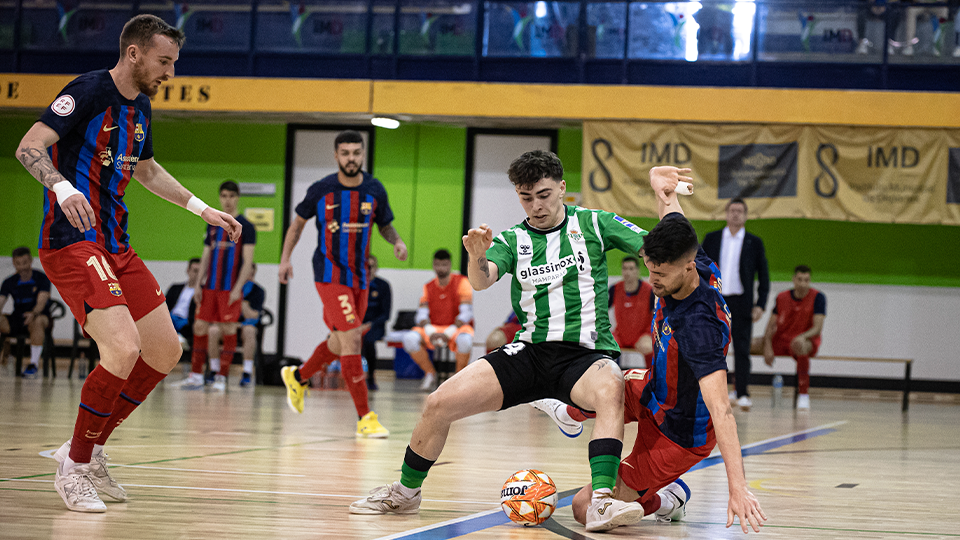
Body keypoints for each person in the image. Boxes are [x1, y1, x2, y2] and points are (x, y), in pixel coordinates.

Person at [350, 150, 654, 533]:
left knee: (612, 388)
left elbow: (651, 246)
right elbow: (481, 280)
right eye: (526, 197)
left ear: (562, 188)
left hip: (585, 356)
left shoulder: (594, 223)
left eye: (543, 195)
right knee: (438, 403)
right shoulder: (514, 239)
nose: (536, 205)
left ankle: (602, 502)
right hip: (528, 351)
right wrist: (476, 256)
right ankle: (406, 492)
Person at [15, 14, 241, 512]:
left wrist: (203, 210)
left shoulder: (141, 107)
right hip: (73, 242)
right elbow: (29, 146)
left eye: (174, 63)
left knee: (164, 352)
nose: (171, 73)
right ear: (135, 53)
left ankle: (90, 452)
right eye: (165, 61)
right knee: (121, 348)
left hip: (117, 246)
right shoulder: (88, 91)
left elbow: (147, 169)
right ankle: (73, 468)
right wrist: (62, 186)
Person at [533, 166, 766, 534]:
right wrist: (660, 186)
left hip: (679, 431)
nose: (652, 282)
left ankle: (668, 498)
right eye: (649, 272)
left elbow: (722, 411)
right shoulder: (688, 254)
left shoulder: (699, 327)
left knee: (583, 508)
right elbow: (672, 214)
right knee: (596, 382)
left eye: (661, 276)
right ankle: (571, 412)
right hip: (655, 389)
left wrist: (737, 488)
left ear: (688, 268)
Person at [278, 130, 408, 438]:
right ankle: (366, 417)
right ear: (336, 156)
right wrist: (285, 259)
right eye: (345, 153)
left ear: (363, 155)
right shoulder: (321, 189)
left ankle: (298, 376)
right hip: (329, 273)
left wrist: (397, 241)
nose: (351, 158)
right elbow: (297, 226)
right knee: (352, 341)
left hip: (360, 277)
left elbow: (385, 225)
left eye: (356, 153)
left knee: (339, 341)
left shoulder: (375, 189)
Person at [177, 181, 256, 391]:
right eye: (223, 196)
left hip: (229, 288)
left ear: (238, 197)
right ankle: (196, 375)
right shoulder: (213, 223)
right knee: (199, 326)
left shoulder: (247, 227)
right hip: (209, 286)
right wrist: (198, 285)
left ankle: (221, 377)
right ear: (220, 198)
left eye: (231, 196)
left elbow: (247, 262)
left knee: (228, 329)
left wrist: (238, 288)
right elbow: (205, 256)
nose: (227, 200)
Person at [702, 197, 769, 411]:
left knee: (741, 348)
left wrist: (761, 304)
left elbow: (764, 275)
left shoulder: (754, 242)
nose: (736, 214)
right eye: (732, 210)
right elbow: (700, 269)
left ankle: (742, 392)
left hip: (742, 302)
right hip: (716, 300)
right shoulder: (712, 238)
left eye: (740, 211)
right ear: (726, 213)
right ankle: (712, 392)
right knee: (712, 345)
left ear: (746, 215)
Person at [401, 248, 475, 390]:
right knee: (409, 338)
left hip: (456, 328)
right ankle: (430, 373)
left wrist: (448, 333)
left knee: (465, 341)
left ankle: (459, 377)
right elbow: (421, 314)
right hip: (433, 328)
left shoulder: (462, 282)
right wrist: (429, 331)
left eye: (444, 265)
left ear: (450, 265)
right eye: (438, 265)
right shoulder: (428, 286)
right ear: (433, 265)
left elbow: (466, 314)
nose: (441, 268)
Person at [756, 265, 826, 411]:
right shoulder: (782, 297)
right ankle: (738, 391)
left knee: (801, 345)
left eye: (806, 280)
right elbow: (770, 326)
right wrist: (768, 345)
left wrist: (801, 337)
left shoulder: (818, 297)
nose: (803, 283)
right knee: (747, 344)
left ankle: (804, 395)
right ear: (794, 279)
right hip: (782, 339)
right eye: (800, 279)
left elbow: (817, 328)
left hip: (805, 340)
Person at [210, 263, 266, 387]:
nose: (249, 276)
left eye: (252, 274)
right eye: (247, 273)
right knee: (213, 330)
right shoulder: (227, 288)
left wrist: (241, 301)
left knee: (250, 331)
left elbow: (253, 315)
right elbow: (219, 313)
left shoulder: (258, 291)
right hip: (227, 324)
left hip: (244, 326)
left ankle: (247, 371)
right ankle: (214, 370)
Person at [0, 247, 52, 378]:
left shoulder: (42, 278)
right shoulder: (9, 282)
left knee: (37, 321)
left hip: (39, 316)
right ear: (14, 263)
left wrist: (33, 313)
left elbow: (41, 302)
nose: (22, 267)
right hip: (18, 318)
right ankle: (6, 355)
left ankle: (33, 364)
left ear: (30, 260)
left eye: (25, 262)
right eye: (18, 263)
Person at [609, 256, 655, 368]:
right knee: (605, 344)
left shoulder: (649, 291)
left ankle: (651, 377)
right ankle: (613, 374)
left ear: (637, 271)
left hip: (642, 336)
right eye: (625, 268)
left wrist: (651, 335)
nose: (627, 272)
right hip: (620, 335)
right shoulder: (614, 289)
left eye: (631, 268)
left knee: (650, 346)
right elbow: (601, 311)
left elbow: (657, 316)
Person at [361, 255, 391, 391]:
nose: (369, 269)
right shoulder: (357, 285)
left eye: (371, 266)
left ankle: (370, 377)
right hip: (357, 323)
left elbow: (385, 314)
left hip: (375, 325)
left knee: (368, 341)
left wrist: (369, 324)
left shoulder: (383, 286)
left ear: (376, 268)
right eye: (366, 266)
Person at [164, 257, 200, 346]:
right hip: (170, 318)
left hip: (186, 322)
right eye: (195, 271)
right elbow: (164, 305)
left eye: (200, 271)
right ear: (188, 271)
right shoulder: (175, 288)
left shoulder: (202, 293)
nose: (197, 274)